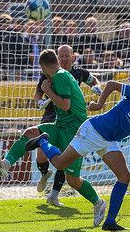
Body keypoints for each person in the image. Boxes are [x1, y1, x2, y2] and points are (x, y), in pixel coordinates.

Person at [25, 79, 130, 231]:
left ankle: (110, 222)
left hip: (109, 140)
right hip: (93, 131)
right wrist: (99, 104)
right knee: (59, 164)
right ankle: (43, 141)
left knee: (124, 177)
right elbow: (112, 84)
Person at [0, 49, 101, 221]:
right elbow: (46, 97)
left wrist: (48, 90)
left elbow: (66, 105)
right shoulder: (57, 75)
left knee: (73, 180)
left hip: (74, 132)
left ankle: (98, 203)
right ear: (57, 60)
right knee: (30, 133)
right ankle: (5, 164)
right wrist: (42, 96)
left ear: (43, 66)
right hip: (60, 126)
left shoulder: (60, 76)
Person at [33, 45, 102, 206]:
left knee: (65, 156)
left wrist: (96, 86)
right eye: (61, 56)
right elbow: (37, 94)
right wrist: (40, 101)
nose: (63, 58)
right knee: (41, 153)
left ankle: (54, 194)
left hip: (70, 119)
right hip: (51, 115)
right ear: (57, 58)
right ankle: (44, 174)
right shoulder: (48, 74)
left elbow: (93, 80)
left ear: (73, 57)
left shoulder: (79, 73)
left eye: (66, 56)